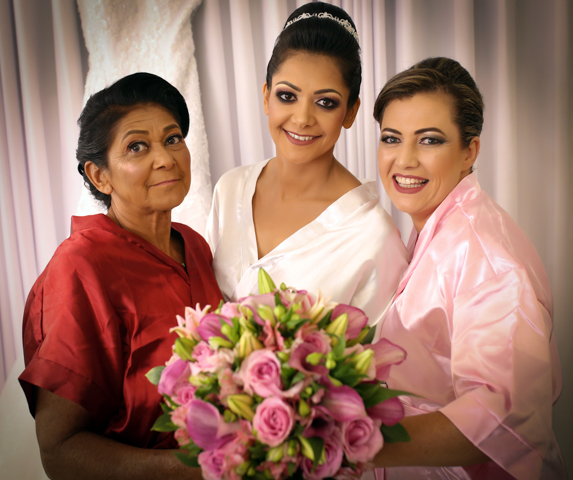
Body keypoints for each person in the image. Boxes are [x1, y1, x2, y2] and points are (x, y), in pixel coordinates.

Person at [19, 73, 221, 479]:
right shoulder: (81, 265)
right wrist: (202, 470)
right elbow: (60, 450)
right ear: (100, 176)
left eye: (172, 139)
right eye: (136, 147)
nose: (165, 159)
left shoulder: (195, 245)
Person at [372, 57, 565, 479]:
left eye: (429, 140)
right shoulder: (438, 227)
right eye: (391, 138)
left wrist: (356, 443)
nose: (404, 160)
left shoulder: (487, 259)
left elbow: (502, 418)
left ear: (469, 151)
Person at [206, 2, 408, 328]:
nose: (302, 118)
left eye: (325, 102)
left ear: (351, 112)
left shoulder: (373, 237)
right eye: (287, 96)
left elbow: (381, 355)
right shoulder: (230, 189)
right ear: (266, 96)